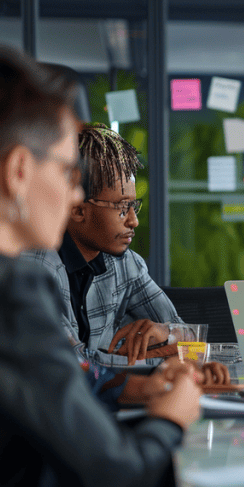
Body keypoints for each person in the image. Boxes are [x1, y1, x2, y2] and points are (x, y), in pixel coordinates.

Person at [0, 44, 200, 487]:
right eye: (66, 172)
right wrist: (173, 414)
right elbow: (116, 477)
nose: (75, 196)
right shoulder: (2, 288)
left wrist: (127, 388)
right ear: (18, 171)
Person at [23, 123, 228, 405]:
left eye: (134, 206)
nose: (134, 220)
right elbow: (75, 369)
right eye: (121, 208)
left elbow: (193, 342)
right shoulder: (37, 267)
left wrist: (164, 335)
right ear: (77, 209)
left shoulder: (125, 262)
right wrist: (164, 357)